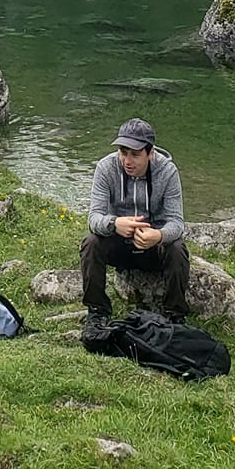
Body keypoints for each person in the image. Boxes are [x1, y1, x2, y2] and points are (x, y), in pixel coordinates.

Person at [81, 117, 190, 320]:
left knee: (177, 248)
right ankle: (97, 311)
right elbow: (94, 218)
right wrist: (114, 224)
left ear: (150, 153)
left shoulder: (168, 172)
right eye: (123, 152)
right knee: (91, 242)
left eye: (135, 154)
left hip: (153, 246)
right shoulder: (105, 168)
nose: (127, 161)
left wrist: (158, 235)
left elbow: (176, 222)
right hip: (119, 243)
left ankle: (175, 314)